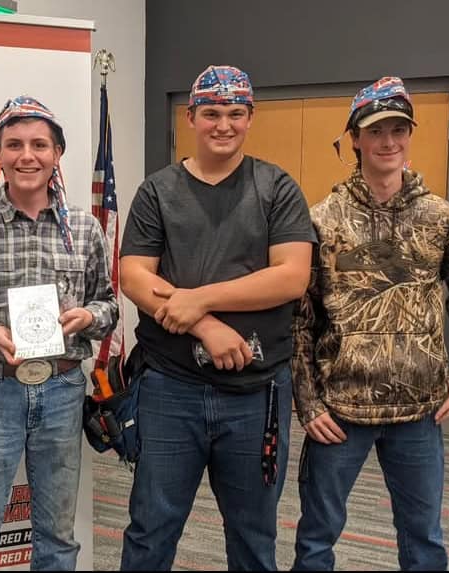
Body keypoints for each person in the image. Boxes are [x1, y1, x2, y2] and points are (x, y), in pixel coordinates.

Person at [118, 65, 315, 571]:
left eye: (234, 113)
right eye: (211, 113)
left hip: (256, 391)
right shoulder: (158, 191)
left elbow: (291, 277)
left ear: (250, 117)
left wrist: (199, 298)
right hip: (169, 388)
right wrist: (205, 324)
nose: (222, 124)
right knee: (150, 529)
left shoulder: (277, 188)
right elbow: (135, 276)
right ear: (191, 118)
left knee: (253, 534)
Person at [291, 77, 449, 571]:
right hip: (340, 411)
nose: (389, 140)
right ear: (354, 138)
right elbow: (300, 320)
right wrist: (308, 401)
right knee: (316, 539)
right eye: (376, 130)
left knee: (424, 539)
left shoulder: (440, 217)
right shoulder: (322, 221)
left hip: (419, 412)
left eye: (399, 129)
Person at [0, 95, 119, 571]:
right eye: (14, 144)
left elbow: (110, 304)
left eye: (39, 144)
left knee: (57, 536)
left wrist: (88, 318)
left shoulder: (85, 227)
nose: (26, 155)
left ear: (57, 154)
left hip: (63, 388)